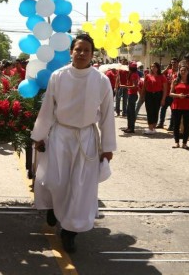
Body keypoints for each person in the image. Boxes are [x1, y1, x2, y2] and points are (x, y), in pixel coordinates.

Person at [31, 33, 116, 253]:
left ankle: (70, 231)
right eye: (78, 49)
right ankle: (54, 208)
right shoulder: (58, 76)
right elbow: (48, 108)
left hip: (86, 139)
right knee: (57, 180)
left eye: (86, 50)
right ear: (71, 51)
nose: (81, 53)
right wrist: (39, 136)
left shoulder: (101, 80)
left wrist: (107, 148)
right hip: (60, 135)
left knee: (81, 186)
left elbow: (107, 115)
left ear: (92, 54)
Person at [169, 61, 189, 149]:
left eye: (184, 70)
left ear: (188, 72)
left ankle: (184, 143)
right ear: (179, 71)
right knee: (176, 124)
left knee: (186, 124)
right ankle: (176, 142)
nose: (183, 72)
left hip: (188, 105)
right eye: (181, 70)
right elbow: (171, 93)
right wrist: (178, 95)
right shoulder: (175, 81)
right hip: (177, 104)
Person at [143, 62, 167, 135]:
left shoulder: (162, 76)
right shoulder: (147, 76)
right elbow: (144, 86)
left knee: (156, 111)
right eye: (152, 67)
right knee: (149, 111)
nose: (153, 68)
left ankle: (153, 127)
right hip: (149, 95)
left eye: (155, 67)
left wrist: (163, 99)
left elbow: (165, 89)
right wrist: (142, 96)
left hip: (158, 95)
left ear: (158, 68)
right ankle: (150, 128)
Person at [158, 58, 178, 130]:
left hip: (173, 94)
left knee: (173, 111)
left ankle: (171, 126)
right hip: (166, 93)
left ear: (177, 63)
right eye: (172, 62)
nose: (173, 64)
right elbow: (160, 74)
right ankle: (161, 123)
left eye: (175, 62)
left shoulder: (179, 73)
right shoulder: (169, 71)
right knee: (163, 109)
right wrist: (167, 68)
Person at [122, 61, 140, 134]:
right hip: (131, 94)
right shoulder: (132, 74)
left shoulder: (134, 75)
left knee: (131, 112)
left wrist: (125, 86)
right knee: (129, 112)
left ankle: (131, 128)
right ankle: (129, 127)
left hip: (132, 95)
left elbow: (134, 86)